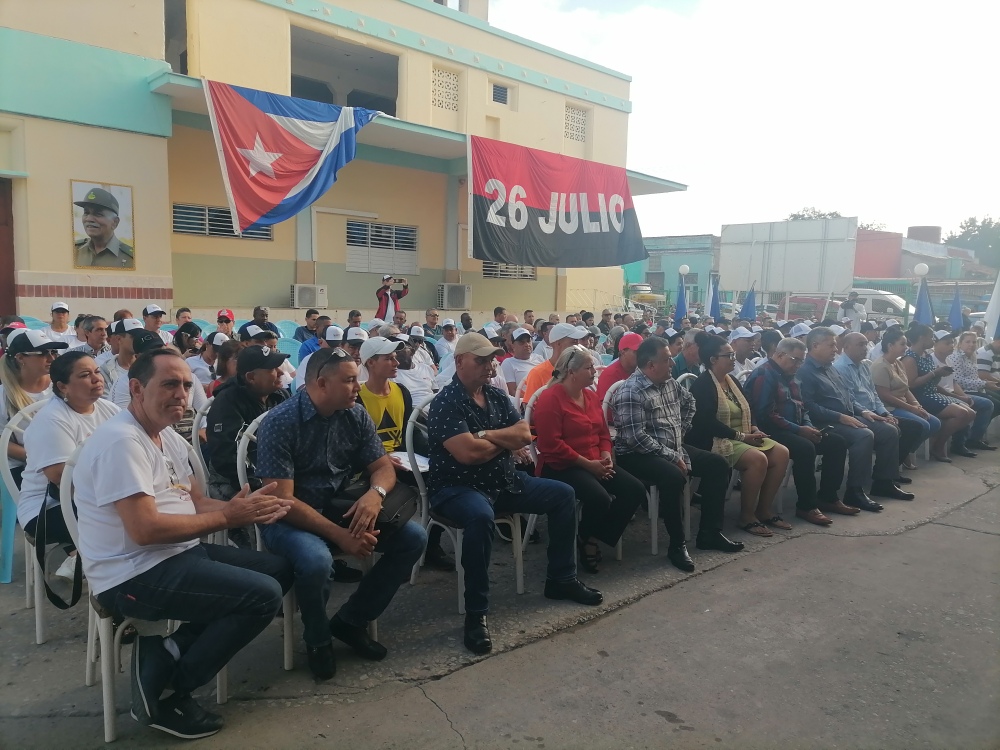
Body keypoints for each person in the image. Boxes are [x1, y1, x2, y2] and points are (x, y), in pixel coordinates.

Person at [73, 349, 293, 739]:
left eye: (188, 385)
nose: (182, 393)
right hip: (132, 572)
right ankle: (171, 690)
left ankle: (167, 652)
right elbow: (144, 531)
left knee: (280, 568)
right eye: (170, 384)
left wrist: (241, 508)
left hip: (175, 553)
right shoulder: (122, 442)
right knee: (262, 595)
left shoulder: (166, 437)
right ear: (137, 389)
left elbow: (194, 502)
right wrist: (228, 518)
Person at [255, 348, 426, 679]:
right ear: (321, 383)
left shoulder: (355, 414)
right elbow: (284, 500)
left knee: (414, 538)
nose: (357, 387)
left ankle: (351, 621)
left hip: (339, 507)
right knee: (317, 561)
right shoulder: (280, 423)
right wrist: (341, 537)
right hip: (289, 517)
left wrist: (375, 496)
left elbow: (383, 468)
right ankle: (317, 637)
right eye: (349, 380)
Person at [427, 333, 602, 655]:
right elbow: (468, 455)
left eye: (491, 359)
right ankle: (476, 613)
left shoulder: (494, 396)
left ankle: (561, 578)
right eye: (480, 360)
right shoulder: (445, 403)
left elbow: (523, 433)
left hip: (504, 482)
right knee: (480, 517)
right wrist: (499, 441)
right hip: (458, 488)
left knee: (562, 494)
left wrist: (485, 435)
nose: (489, 366)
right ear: (459, 361)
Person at [611, 336, 744, 572]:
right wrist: (672, 455)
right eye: (667, 359)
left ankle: (709, 533)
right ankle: (677, 544)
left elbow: (690, 402)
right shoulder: (631, 391)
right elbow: (635, 439)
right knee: (673, 476)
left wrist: (679, 434)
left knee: (717, 464)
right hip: (636, 455)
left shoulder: (668, 383)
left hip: (670, 447)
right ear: (651, 365)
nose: (672, 364)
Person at [533, 345, 645, 572]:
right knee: (600, 499)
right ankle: (586, 538)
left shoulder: (590, 396)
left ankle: (590, 536)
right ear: (571, 372)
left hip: (594, 460)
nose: (594, 370)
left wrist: (605, 455)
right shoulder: (550, 399)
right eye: (589, 367)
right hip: (561, 465)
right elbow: (550, 445)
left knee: (635, 489)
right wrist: (589, 465)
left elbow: (603, 433)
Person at [19, 352, 119, 580]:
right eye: (85, 375)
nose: (97, 379)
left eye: (96, 371)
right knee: (126, 522)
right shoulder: (51, 420)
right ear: (63, 386)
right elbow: (61, 478)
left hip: (96, 495)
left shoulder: (109, 410)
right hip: (48, 508)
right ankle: (114, 585)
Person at [687, 333, 791, 537]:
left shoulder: (732, 380)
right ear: (713, 360)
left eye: (733, 354)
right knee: (757, 459)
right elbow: (706, 423)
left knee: (781, 453)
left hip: (742, 434)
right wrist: (741, 437)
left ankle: (764, 509)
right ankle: (747, 516)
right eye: (729, 355)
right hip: (718, 438)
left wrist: (753, 428)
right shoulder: (703, 385)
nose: (733, 359)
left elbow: (747, 407)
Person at [797, 327, 912, 510]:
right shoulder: (805, 371)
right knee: (863, 435)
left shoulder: (830, 368)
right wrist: (840, 416)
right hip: (823, 422)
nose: (836, 349)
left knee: (888, 430)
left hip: (846, 416)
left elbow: (848, 397)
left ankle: (883, 482)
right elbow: (807, 406)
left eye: (836, 345)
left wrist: (864, 411)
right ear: (815, 346)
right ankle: (855, 491)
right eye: (831, 345)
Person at [744, 338, 849, 526]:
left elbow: (803, 407)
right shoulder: (764, 374)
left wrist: (809, 426)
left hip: (795, 427)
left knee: (836, 442)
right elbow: (765, 415)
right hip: (768, 431)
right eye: (795, 360)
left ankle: (827, 497)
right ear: (779, 355)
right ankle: (806, 506)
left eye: (801, 361)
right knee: (805, 448)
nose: (798, 365)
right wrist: (799, 430)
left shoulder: (792, 376)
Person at [834, 332, 922, 487]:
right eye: (860, 344)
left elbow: (874, 394)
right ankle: (883, 482)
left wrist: (884, 412)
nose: (864, 348)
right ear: (846, 347)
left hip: (872, 412)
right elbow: (850, 400)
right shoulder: (841, 368)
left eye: (866, 344)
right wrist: (873, 415)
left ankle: (888, 472)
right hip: (856, 413)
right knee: (890, 430)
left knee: (913, 427)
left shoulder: (865, 365)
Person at [206, 345, 290, 502]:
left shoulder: (280, 396)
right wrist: (264, 484)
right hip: (233, 482)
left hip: (277, 474)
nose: (281, 373)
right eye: (272, 369)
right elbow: (227, 458)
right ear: (251, 377)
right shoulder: (227, 403)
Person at [901, 324, 976, 461]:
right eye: (931, 337)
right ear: (921, 338)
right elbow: (911, 384)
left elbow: (932, 383)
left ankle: (938, 441)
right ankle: (938, 446)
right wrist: (934, 372)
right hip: (920, 397)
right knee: (961, 413)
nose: (933, 340)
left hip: (932, 393)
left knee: (970, 412)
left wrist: (938, 375)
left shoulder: (926, 356)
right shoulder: (910, 358)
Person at [1, 330, 67, 488]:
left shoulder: (63, 386)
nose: (51, 358)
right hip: (20, 466)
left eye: (53, 351)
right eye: (43, 353)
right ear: (20, 358)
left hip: (63, 461)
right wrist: (38, 457)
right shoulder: (3, 396)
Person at [870, 327, 940, 469]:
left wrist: (916, 405)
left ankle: (905, 450)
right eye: (902, 344)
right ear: (890, 346)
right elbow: (884, 395)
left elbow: (906, 388)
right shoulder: (880, 366)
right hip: (889, 407)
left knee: (935, 422)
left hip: (903, 404)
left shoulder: (898, 363)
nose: (906, 347)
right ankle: (900, 456)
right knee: (923, 425)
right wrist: (911, 408)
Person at [931, 331, 995, 451]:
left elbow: (954, 382)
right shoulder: (937, 359)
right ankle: (958, 443)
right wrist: (962, 397)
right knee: (975, 407)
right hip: (941, 394)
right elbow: (937, 386)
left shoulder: (950, 360)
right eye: (947, 343)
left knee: (980, 403)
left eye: (951, 343)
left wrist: (964, 396)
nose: (951, 346)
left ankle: (969, 439)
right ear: (936, 344)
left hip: (957, 392)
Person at [521, 323, 589, 405]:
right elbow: (530, 409)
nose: (578, 346)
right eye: (574, 342)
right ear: (558, 343)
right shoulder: (538, 373)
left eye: (577, 342)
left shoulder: (578, 370)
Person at [950, 330, 1000, 429]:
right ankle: (973, 437)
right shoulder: (957, 357)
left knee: (997, 402)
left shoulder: (972, 356)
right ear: (960, 344)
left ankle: (977, 432)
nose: (971, 345)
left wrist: (985, 384)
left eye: (974, 342)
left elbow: (974, 376)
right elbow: (958, 381)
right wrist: (984, 384)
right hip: (961, 391)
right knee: (991, 404)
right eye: (967, 342)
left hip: (975, 389)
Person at [73, 187, 134, 268]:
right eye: (86, 213)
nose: (89, 219)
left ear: (115, 222)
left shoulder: (132, 259)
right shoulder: (74, 251)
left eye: (98, 214)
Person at [295, 324, 344, 392]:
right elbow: (301, 387)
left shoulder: (347, 360)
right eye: (331, 346)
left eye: (339, 346)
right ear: (320, 342)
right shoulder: (309, 360)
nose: (335, 349)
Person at [392, 333, 436, 407]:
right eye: (395, 348)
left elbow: (435, 391)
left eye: (401, 347)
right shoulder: (390, 374)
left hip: (433, 409)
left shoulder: (426, 368)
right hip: (411, 413)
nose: (396, 351)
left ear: (412, 352)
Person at [596, 331, 643, 401]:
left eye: (642, 351)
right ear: (623, 353)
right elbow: (606, 408)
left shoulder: (642, 369)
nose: (641, 355)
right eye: (637, 352)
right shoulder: (611, 374)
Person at [99, 318, 143, 389]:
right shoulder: (105, 370)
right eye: (134, 337)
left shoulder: (150, 365)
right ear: (119, 339)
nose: (139, 340)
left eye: (141, 336)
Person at [500, 327, 543, 395]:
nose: (527, 345)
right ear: (513, 345)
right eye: (521, 342)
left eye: (528, 341)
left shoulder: (539, 358)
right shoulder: (508, 363)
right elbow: (512, 391)